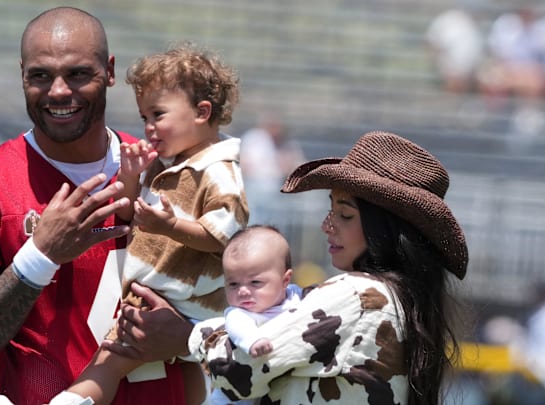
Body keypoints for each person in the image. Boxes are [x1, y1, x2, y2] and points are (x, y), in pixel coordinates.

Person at [0, 7, 193, 405]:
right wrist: (39, 257)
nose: (59, 91)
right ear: (22, 76)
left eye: (78, 73)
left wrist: (189, 338)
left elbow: (249, 308)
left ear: (110, 71)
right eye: (40, 75)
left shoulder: (174, 173)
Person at [185, 131, 469, 404]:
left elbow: (239, 374)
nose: (327, 225)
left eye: (345, 215)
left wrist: (191, 334)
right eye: (331, 210)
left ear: (384, 228)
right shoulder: (403, 297)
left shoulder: (359, 295)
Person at [58, 42, 249, 405]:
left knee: (109, 360)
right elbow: (128, 214)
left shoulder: (219, 171)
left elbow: (225, 238)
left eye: (157, 115)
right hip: (166, 295)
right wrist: (131, 176)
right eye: (144, 117)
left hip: (179, 300)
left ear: (201, 112)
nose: (147, 127)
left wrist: (169, 227)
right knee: (187, 367)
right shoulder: (166, 165)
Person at [207, 225, 303, 405]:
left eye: (255, 282)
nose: (243, 291)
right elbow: (238, 327)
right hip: (236, 396)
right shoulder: (239, 313)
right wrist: (253, 341)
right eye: (233, 284)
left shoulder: (296, 296)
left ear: (285, 280)